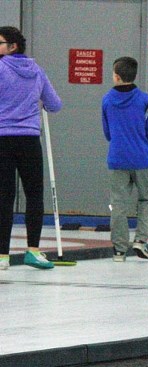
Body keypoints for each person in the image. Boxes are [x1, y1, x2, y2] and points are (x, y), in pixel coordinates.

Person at [0, 26, 62, 270]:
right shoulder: (36, 71)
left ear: (12, 46)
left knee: (5, 196)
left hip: (3, 138)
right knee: (34, 194)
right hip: (29, 139)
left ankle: (2, 256)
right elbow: (55, 104)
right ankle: (33, 251)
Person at [102, 57, 148, 262]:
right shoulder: (144, 100)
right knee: (146, 200)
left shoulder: (107, 100)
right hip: (142, 158)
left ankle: (119, 249)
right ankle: (140, 241)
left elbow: (107, 133)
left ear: (116, 76)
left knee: (118, 205)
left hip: (118, 158)